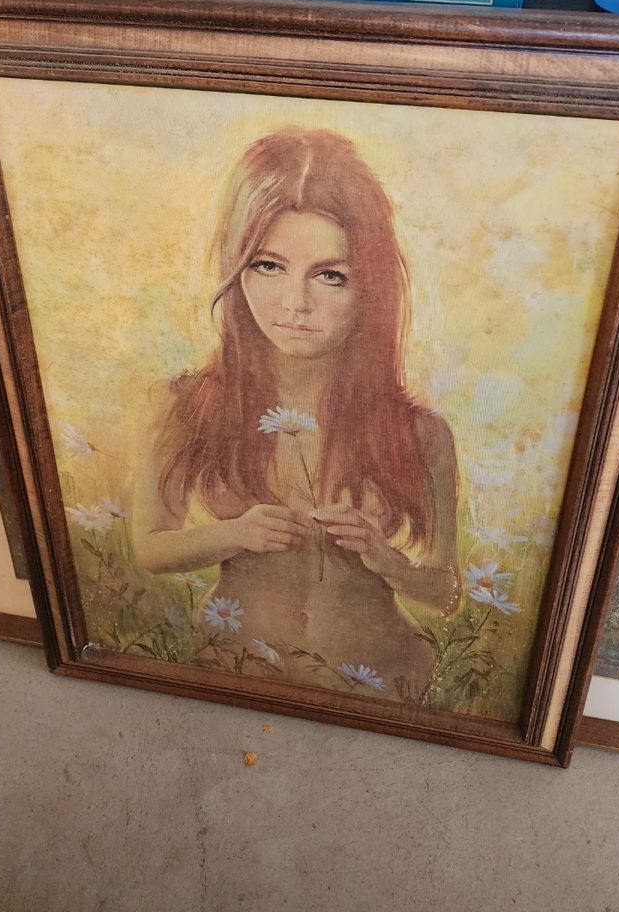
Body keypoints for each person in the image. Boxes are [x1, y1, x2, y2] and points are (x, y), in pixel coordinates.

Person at [132, 128, 460, 699]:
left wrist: (386, 560)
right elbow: (149, 547)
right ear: (236, 267)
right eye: (268, 266)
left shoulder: (420, 433)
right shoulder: (186, 407)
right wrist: (236, 534)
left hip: (381, 684)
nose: (295, 303)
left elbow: (445, 593)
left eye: (330, 275)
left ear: (371, 287)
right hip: (234, 672)